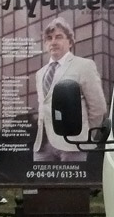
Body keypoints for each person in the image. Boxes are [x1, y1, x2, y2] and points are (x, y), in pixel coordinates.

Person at [34, 17, 108, 162]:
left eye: (59, 37)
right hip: (43, 146)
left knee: (72, 184)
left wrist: (85, 136)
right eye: (49, 38)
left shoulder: (84, 66)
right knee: (43, 184)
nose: (53, 42)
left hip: (74, 144)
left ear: (70, 41)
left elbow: (98, 107)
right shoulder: (40, 73)